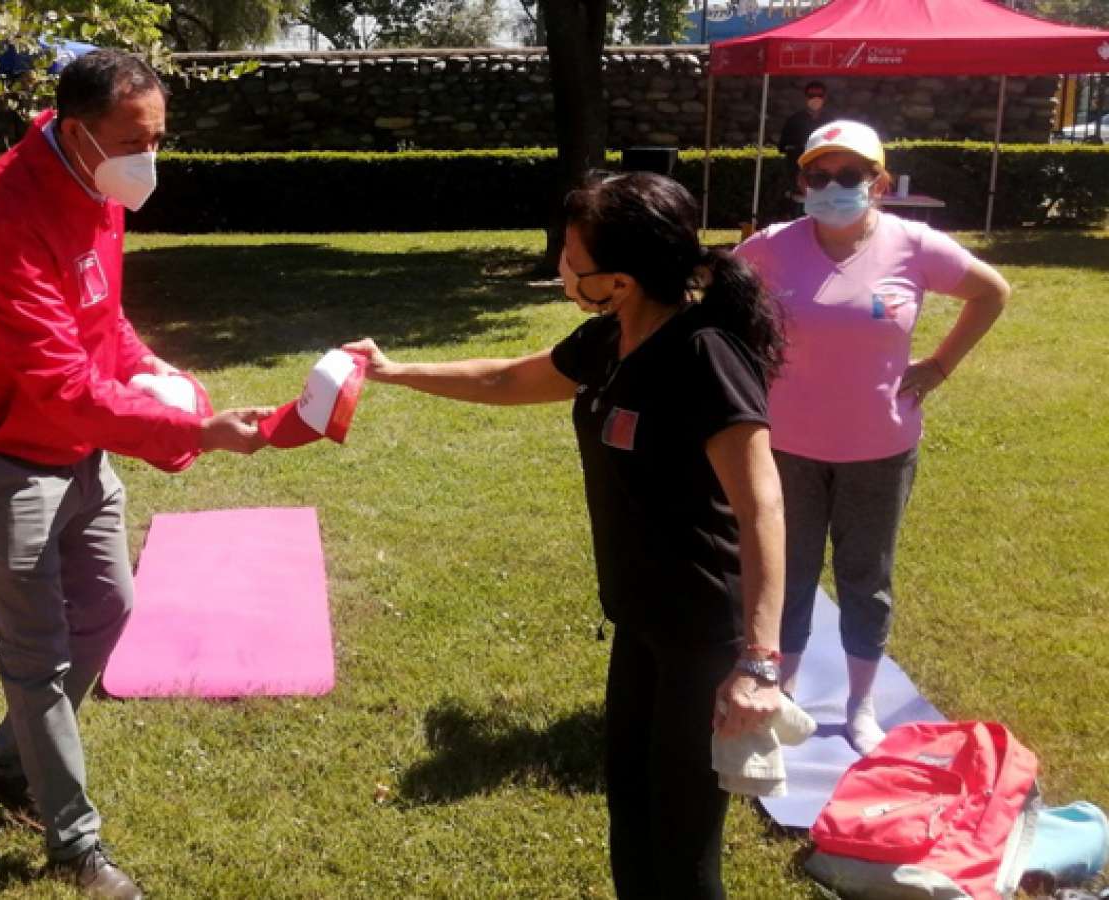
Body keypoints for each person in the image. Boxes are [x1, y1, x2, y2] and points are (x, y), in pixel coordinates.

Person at [344, 172, 787, 900]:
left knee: (682, 849)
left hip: (703, 635)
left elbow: (762, 506)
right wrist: (392, 371)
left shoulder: (705, 355)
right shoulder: (611, 340)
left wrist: (760, 663)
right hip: (641, 622)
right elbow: (504, 381)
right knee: (632, 817)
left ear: (618, 278)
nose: (560, 267)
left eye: (569, 255)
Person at [0, 49, 268, 899]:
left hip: (75, 443)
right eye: (133, 141)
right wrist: (190, 429)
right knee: (37, 655)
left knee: (111, 606)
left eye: (157, 139)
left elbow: (101, 322)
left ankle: (9, 764)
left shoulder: (93, 184)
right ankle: (77, 847)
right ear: (76, 133)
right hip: (0, 454)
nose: (148, 160)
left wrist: (151, 369)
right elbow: (61, 383)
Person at [735, 121, 1010, 756]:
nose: (832, 187)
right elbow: (713, 297)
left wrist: (939, 366)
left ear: (879, 183)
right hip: (787, 448)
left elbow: (992, 293)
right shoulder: (773, 246)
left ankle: (861, 705)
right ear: (801, 183)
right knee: (787, 573)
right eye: (818, 176)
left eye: (850, 175)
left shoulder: (915, 245)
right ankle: (787, 694)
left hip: (879, 451)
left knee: (867, 578)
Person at [777, 82, 831, 214]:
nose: (816, 98)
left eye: (820, 95)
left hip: (825, 174)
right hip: (800, 173)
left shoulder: (830, 121)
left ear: (825, 97)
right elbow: (782, 146)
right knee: (799, 209)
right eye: (811, 95)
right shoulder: (794, 121)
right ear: (805, 97)